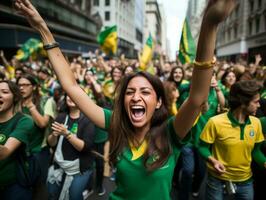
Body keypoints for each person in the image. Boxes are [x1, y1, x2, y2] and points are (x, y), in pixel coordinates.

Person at [15, 0, 237, 199]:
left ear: (159, 102)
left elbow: (197, 98)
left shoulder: (172, 133)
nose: (136, 97)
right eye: (129, 92)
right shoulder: (116, 124)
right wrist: (43, 29)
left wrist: (210, 24)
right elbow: (71, 86)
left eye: (145, 92)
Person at [198, 80, 266, 200]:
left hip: (246, 182)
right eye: (256, 102)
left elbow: (256, 151)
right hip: (217, 181)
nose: (259, 105)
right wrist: (213, 161)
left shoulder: (256, 123)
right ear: (243, 103)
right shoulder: (215, 122)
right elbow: (202, 147)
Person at [47, 95, 95, 200]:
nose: (71, 97)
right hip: (59, 163)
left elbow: (84, 148)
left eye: (74, 95)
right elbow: (51, 143)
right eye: (69, 94)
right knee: (52, 193)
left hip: (80, 168)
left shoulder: (88, 120)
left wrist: (67, 134)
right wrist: (54, 135)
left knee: (74, 196)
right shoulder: (61, 117)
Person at [17, 73, 55, 199]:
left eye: (25, 85)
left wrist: (31, 107)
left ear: (33, 87)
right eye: (19, 85)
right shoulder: (16, 103)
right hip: (20, 149)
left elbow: (43, 123)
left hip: (39, 151)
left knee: (39, 187)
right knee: (21, 184)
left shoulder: (46, 100)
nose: (21, 88)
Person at [0, 80, 34, 199]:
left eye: (4, 92)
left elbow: (4, 153)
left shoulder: (24, 121)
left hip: (14, 187)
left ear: (14, 97)